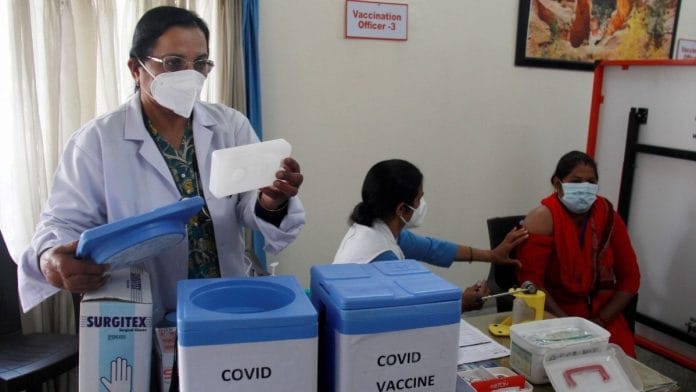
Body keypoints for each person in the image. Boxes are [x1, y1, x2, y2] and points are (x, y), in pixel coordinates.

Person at [17, 6, 305, 323]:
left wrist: (271, 201)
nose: (189, 75)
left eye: (200, 64)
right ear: (135, 69)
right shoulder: (96, 141)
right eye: (173, 63)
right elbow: (61, 222)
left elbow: (247, 204)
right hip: (138, 310)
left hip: (224, 301)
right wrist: (51, 259)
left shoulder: (229, 126)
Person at [333, 159, 528, 311]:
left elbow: (433, 248)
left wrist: (491, 255)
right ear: (401, 208)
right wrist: (461, 304)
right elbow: (413, 314)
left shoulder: (375, 228)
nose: (421, 204)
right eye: (419, 198)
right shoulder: (382, 259)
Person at [516, 151, 640, 356]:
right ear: (557, 183)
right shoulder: (542, 219)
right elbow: (532, 284)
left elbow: (631, 277)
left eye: (591, 181)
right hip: (553, 313)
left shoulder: (607, 215)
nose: (585, 187)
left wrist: (599, 322)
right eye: (576, 181)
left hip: (603, 313)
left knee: (622, 367)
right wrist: (570, 326)